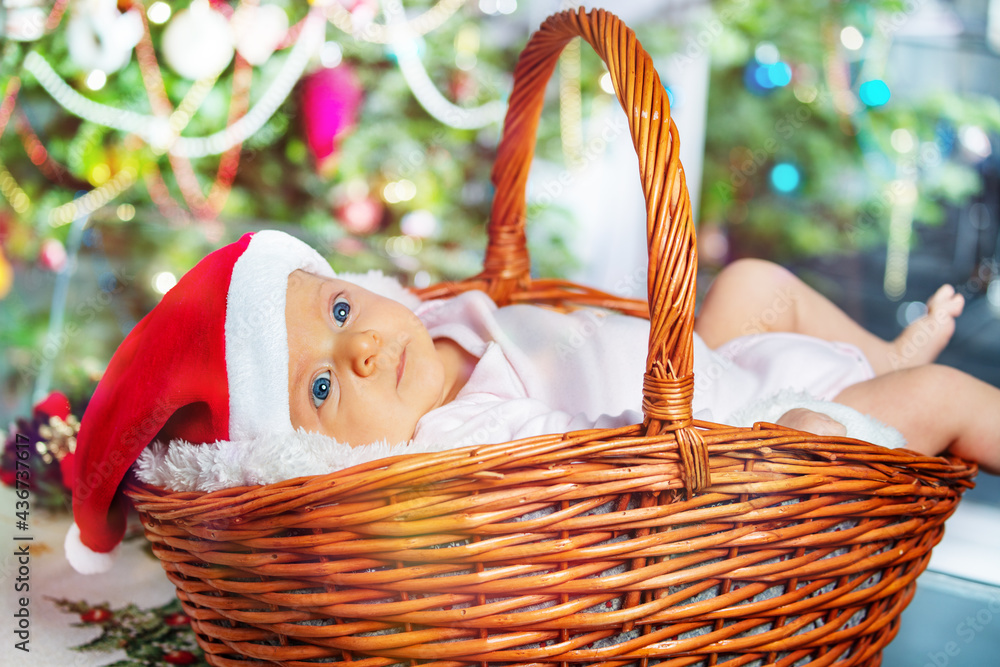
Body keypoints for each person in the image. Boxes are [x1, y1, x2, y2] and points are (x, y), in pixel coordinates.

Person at [65, 230, 998, 575]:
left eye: (341, 306)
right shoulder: (454, 443)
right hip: (745, 439)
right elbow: (591, 480)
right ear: (323, 458)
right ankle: (889, 384)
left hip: (711, 359)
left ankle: (876, 350)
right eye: (318, 387)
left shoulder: (425, 320)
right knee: (939, 394)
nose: (357, 346)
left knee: (753, 276)